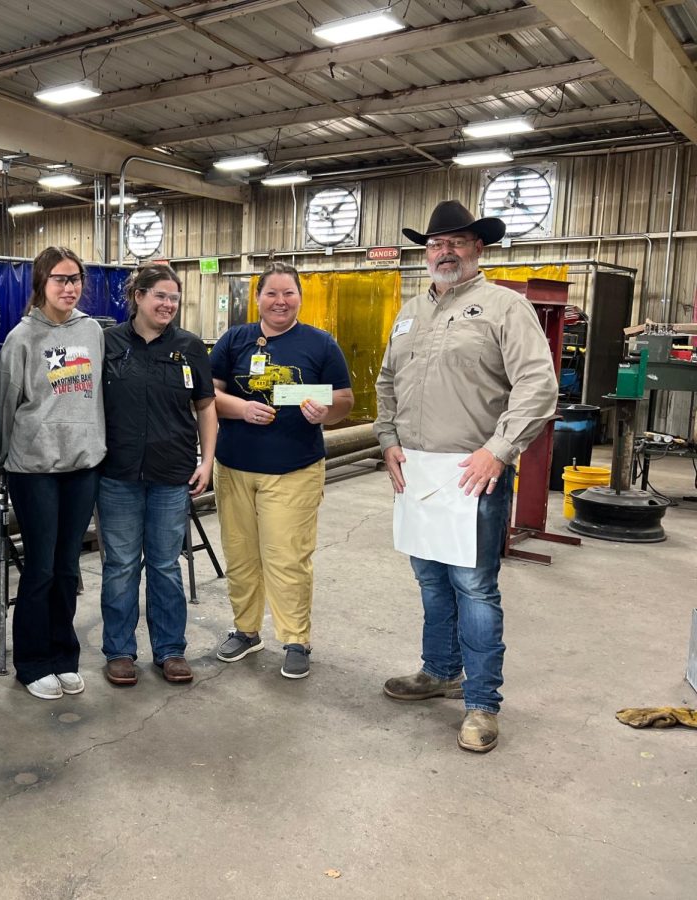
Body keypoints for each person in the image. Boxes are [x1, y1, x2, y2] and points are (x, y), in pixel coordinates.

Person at [375, 201, 557, 753]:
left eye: (456, 241)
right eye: (435, 243)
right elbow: (386, 383)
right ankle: (440, 672)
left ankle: (481, 704)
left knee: (475, 588)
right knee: (430, 580)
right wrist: (387, 442)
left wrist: (498, 452)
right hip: (417, 474)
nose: (444, 251)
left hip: (472, 474)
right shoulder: (409, 313)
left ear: (478, 247)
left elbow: (537, 385)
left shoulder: (505, 307)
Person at [210, 261, 354, 680]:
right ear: (257, 299)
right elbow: (208, 396)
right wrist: (241, 407)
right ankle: (246, 629)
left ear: (299, 297)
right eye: (271, 293)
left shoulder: (320, 345)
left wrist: (325, 413)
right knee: (240, 555)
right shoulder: (233, 340)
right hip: (234, 469)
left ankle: (295, 639)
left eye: (288, 293)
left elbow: (343, 400)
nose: (280, 301)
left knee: (287, 556)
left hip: (293, 469)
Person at [97, 264, 216, 687]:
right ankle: (120, 651)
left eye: (174, 298)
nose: (168, 305)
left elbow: (205, 406)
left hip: (172, 474)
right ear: (138, 296)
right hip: (118, 474)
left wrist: (207, 461)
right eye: (160, 296)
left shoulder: (190, 347)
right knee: (121, 566)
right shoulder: (107, 342)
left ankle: (170, 650)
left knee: (166, 565)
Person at [0, 246, 105, 700]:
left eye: (75, 278)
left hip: (82, 465)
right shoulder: (22, 338)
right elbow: (6, 404)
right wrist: (3, 462)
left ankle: (64, 655)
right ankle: (32, 661)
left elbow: (95, 395)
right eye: (60, 279)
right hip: (34, 467)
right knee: (40, 567)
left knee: (67, 568)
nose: (69, 287)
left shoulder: (92, 330)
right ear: (41, 283)